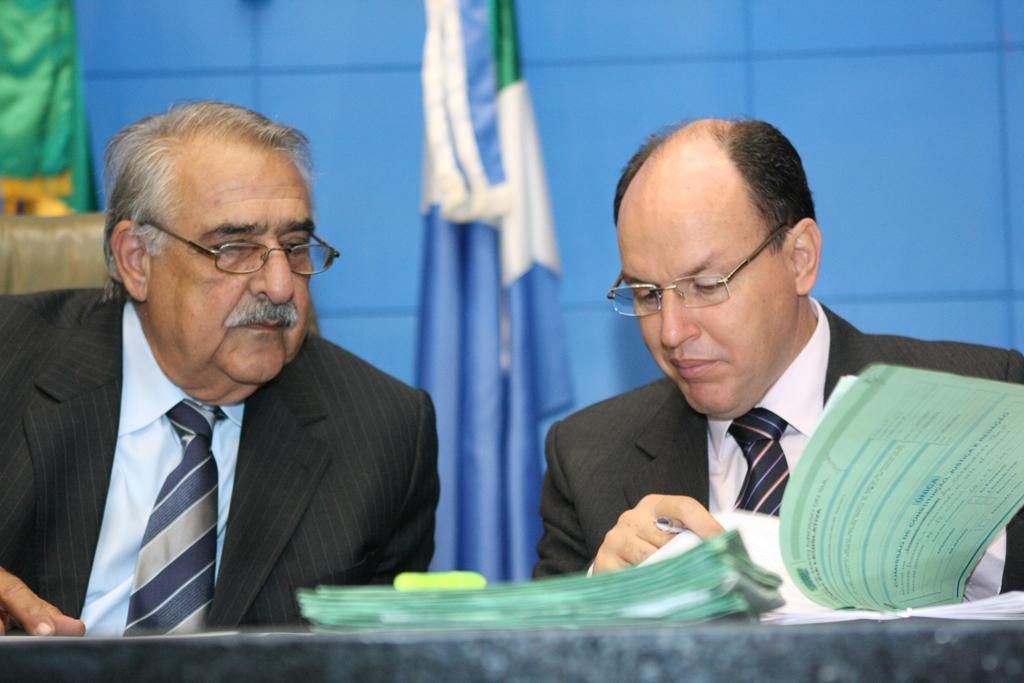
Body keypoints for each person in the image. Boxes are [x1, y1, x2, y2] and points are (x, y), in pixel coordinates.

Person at [0, 101, 439, 636]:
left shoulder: (384, 433)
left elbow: (384, 661)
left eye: (295, 247)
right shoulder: (10, 358)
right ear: (136, 260)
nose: (280, 285)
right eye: (234, 248)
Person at [533, 119, 1024, 595]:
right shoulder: (587, 456)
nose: (672, 331)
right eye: (647, 294)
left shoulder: (985, 407)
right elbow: (535, 645)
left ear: (800, 258)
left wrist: (971, 548)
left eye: (707, 285)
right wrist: (601, 594)